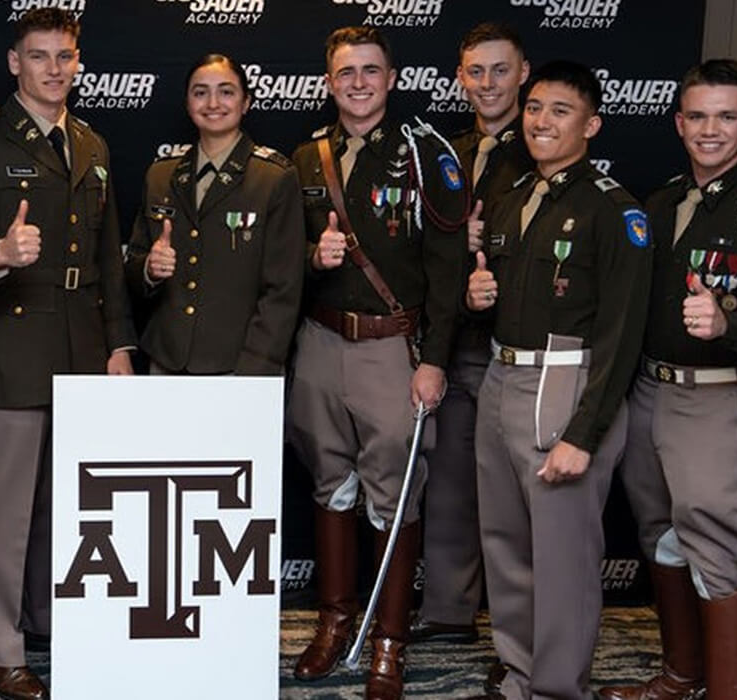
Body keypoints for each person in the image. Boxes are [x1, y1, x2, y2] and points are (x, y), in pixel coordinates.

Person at [0, 8, 136, 698]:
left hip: (82, 347)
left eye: (64, 56)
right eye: (39, 56)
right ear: (14, 63)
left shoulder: (91, 143)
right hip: (10, 346)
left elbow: (107, 260)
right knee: (6, 511)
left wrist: (118, 345)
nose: (53, 68)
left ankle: (47, 621)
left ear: (77, 61)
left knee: (64, 505)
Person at [603, 59, 737, 700]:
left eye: (726, 117)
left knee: (719, 549)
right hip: (649, 392)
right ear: (679, 123)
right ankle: (682, 677)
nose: (710, 130)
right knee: (661, 536)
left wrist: (729, 324)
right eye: (697, 116)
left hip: (720, 398)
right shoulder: (661, 202)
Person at [286, 26, 469, 700]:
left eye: (370, 71)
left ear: (391, 79)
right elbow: (281, 258)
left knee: (393, 495)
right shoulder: (307, 158)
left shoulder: (426, 154)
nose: (358, 83)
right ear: (328, 82)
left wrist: (434, 361)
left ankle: (389, 639)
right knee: (330, 483)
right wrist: (313, 257)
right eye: (345, 72)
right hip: (319, 342)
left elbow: (448, 272)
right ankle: (335, 621)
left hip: (393, 349)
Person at [465, 60, 651, 700]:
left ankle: (557, 688)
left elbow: (622, 337)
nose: (542, 121)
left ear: (591, 125)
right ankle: (521, 673)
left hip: (566, 388)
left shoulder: (613, 211)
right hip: (501, 378)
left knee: (563, 558)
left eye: (561, 111)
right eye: (535, 107)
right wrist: (476, 295)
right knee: (506, 545)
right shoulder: (515, 197)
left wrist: (583, 434)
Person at [418, 20, 535, 648]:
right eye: (476, 71)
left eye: (500, 70)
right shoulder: (447, 153)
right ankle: (448, 612)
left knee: (517, 499)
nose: (488, 83)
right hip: (455, 343)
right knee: (451, 485)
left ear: (523, 73)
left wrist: (488, 241)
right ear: (460, 78)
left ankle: (522, 639)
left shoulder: (543, 146)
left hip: (517, 347)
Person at [125, 53, 303, 375]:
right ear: (187, 103)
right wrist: (149, 269)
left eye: (226, 91)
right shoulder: (161, 174)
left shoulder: (273, 177)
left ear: (246, 102)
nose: (212, 103)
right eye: (200, 92)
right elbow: (133, 264)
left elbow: (283, 288)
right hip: (167, 360)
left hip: (239, 364)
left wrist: (255, 368)